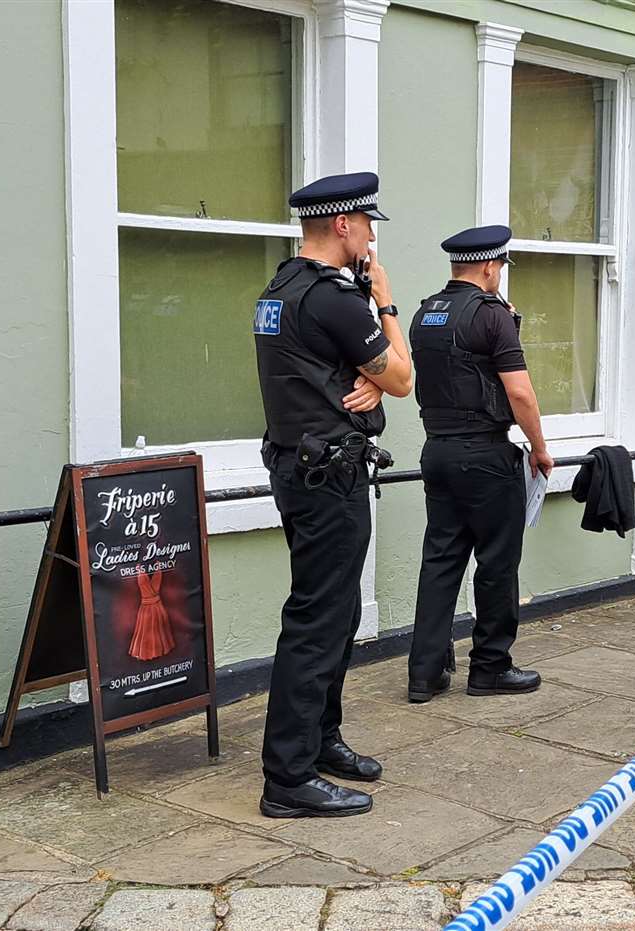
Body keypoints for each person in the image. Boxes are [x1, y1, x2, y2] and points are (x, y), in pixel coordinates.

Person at [253, 172, 414, 818]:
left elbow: (317, 371)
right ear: (342, 225)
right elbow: (403, 375)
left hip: (301, 469)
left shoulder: (281, 288)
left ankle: (320, 740)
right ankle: (287, 776)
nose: (372, 235)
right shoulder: (338, 299)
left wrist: (363, 382)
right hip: (328, 479)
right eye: (367, 223)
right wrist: (386, 302)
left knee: (336, 613)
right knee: (318, 620)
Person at [405, 225, 552, 703]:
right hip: (487, 455)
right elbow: (519, 392)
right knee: (496, 562)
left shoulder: (425, 313)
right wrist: (540, 447)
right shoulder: (492, 317)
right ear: (490, 266)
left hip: (437, 452)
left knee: (441, 560)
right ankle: (490, 667)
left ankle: (424, 674)